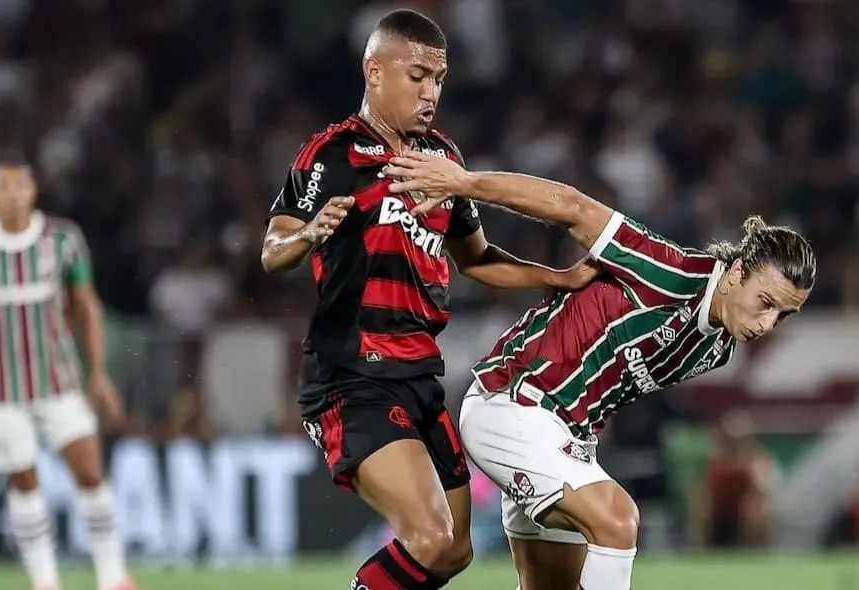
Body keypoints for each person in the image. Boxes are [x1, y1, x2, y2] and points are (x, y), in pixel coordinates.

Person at [259, 9, 594, 590]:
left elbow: (477, 259)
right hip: (351, 374)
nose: (430, 91)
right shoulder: (333, 154)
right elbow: (272, 248)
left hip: (420, 377)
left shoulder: (444, 161)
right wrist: (309, 235)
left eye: (438, 79)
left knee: (453, 551)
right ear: (374, 71)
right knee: (431, 537)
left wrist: (558, 278)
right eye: (417, 75)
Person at [384, 151, 815, 590]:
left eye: (783, 315)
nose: (768, 324)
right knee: (618, 519)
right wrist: (465, 183)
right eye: (766, 302)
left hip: (564, 439)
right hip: (512, 403)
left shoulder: (717, 348)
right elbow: (571, 206)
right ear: (737, 271)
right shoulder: (668, 270)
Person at [0, 163, 132, 590]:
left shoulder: (62, 240)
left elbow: (87, 307)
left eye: (21, 184)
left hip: (60, 383)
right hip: (2, 392)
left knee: (90, 473)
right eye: (4, 185)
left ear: (34, 190)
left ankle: (112, 578)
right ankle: (45, 581)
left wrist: (98, 373)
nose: (14, 193)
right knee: (24, 483)